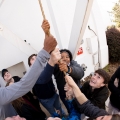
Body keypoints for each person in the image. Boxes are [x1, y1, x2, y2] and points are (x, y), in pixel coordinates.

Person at [0, 35, 60, 119]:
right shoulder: (15, 103)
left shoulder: (18, 78)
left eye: (36, 57)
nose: (16, 117)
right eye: (32, 59)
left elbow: (27, 85)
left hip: (51, 95)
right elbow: (33, 82)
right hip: (44, 100)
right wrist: (49, 58)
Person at [41, 20, 84, 112]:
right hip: (64, 94)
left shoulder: (73, 64)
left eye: (67, 57)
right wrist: (46, 34)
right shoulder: (56, 66)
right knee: (71, 110)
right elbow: (49, 67)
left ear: (70, 58)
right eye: (62, 57)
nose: (65, 59)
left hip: (77, 92)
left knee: (81, 109)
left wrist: (69, 69)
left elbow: (80, 73)